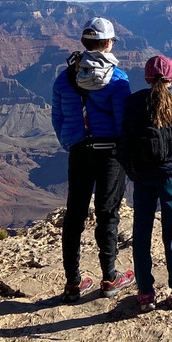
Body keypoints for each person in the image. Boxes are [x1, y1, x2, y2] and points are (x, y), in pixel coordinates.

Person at [51, 17, 135, 303]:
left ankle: (73, 283)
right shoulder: (118, 79)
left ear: (84, 43)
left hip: (79, 151)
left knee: (74, 214)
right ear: (108, 43)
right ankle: (109, 278)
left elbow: (58, 117)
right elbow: (123, 122)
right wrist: (127, 153)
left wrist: (70, 142)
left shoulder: (65, 78)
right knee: (107, 214)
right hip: (110, 153)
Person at [121, 54, 172, 312]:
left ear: (147, 77)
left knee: (141, 233)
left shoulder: (133, 103)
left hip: (143, 178)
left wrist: (133, 173)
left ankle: (145, 293)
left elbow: (123, 144)